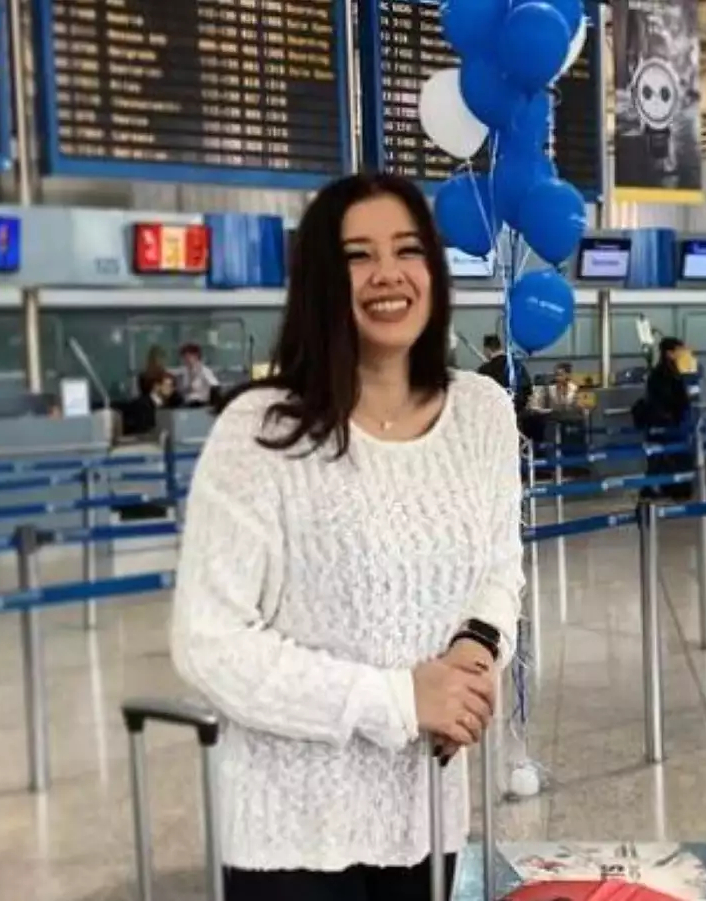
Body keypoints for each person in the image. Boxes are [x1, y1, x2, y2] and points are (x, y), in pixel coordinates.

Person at [170, 172, 523, 901]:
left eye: (407, 249)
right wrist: (398, 700)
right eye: (358, 255)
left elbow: (499, 568)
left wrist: (477, 649)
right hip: (290, 834)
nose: (388, 273)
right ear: (321, 282)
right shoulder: (262, 432)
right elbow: (210, 640)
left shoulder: (483, 413)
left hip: (426, 815)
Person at [635, 337, 693, 500]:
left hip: (668, 422)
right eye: (678, 351)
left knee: (662, 459)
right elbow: (667, 399)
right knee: (666, 458)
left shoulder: (671, 372)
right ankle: (670, 489)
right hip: (665, 423)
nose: (682, 354)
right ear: (669, 353)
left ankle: (664, 488)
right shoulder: (662, 374)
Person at [477, 333, 532, 412]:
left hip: (495, 412)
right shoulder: (517, 365)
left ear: (487, 349)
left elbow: (480, 394)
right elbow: (528, 390)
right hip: (517, 411)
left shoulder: (485, 370)